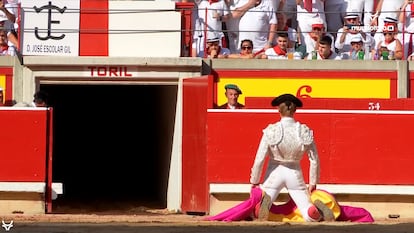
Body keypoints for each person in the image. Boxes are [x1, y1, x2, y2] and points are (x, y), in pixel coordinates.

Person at [250, 93, 334, 222]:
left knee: (260, 203)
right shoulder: (304, 131)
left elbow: (260, 158)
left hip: (274, 173)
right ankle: (311, 211)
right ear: (295, 110)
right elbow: (314, 159)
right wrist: (313, 182)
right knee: (305, 205)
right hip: (294, 173)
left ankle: (261, 205)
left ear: (278, 109)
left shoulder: (271, 130)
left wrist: (254, 180)